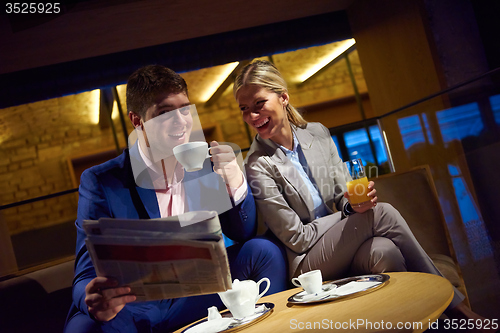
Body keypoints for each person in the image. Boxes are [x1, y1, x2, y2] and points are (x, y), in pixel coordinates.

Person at [233, 59, 491, 328]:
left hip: (344, 242)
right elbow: (297, 238)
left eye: (259, 104)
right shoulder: (257, 164)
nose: (252, 115)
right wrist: (349, 211)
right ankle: (460, 311)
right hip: (306, 262)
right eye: (244, 109)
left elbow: (343, 194)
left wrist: (352, 202)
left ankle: (428, 325)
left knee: (385, 252)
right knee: (382, 212)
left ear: (283, 97)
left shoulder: (318, 134)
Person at [64, 64, 287, 333]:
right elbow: (84, 274)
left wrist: (234, 181)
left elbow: (243, 231)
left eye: (184, 109)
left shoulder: (204, 163)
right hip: (138, 304)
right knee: (83, 328)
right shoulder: (101, 180)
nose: (181, 122)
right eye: (165, 113)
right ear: (138, 121)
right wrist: (92, 299)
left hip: (200, 290)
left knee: (264, 252)